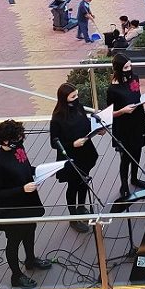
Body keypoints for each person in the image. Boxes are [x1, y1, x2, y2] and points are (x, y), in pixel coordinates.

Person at [0, 120, 52, 289]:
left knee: (30, 230)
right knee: (14, 241)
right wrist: (22, 189)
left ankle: (30, 259)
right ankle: (16, 276)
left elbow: (24, 166)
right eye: (18, 137)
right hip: (12, 209)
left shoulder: (18, 148)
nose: (21, 139)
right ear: (5, 141)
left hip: (27, 202)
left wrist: (39, 171)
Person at [49, 83, 101, 233]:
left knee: (84, 180)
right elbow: (54, 142)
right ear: (64, 98)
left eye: (76, 95)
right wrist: (72, 143)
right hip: (71, 156)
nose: (76, 98)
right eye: (73, 96)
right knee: (73, 186)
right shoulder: (57, 117)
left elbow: (85, 125)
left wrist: (97, 130)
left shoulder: (78, 107)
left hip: (85, 152)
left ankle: (82, 207)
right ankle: (73, 218)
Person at [106, 54, 145, 196]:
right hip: (124, 125)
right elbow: (109, 113)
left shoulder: (134, 78)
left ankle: (134, 178)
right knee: (125, 157)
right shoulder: (112, 89)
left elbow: (137, 95)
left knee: (137, 151)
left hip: (138, 119)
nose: (129, 69)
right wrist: (123, 111)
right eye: (126, 67)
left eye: (130, 66)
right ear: (119, 69)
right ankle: (124, 183)